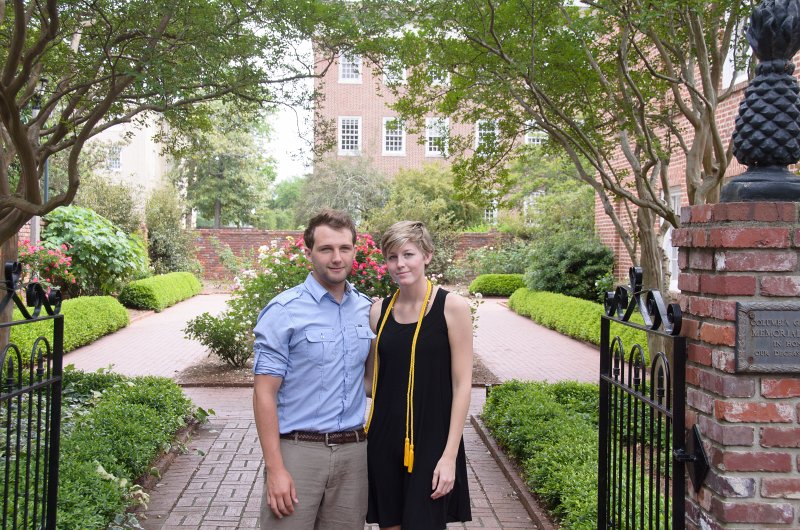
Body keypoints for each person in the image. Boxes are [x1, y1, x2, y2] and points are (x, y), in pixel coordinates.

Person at [252, 209, 375, 530]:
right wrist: (275, 468)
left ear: (354, 251)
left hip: (353, 456)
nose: (336, 258)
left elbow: (371, 383)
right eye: (326, 249)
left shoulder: (367, 310)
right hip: (298, 453)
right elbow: (264, 394)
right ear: (308, 253)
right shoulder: (284, 311)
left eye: (344, 248)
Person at [365, 220, 473, 530]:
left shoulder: (452, 307)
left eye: (408, 254)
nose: (400, 264)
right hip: (384, 438)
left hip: (431, 442)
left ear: (427, 255)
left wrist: (449, 455)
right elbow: (372, 383)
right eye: (392, 257)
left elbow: (462, 385)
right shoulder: (378, 311)